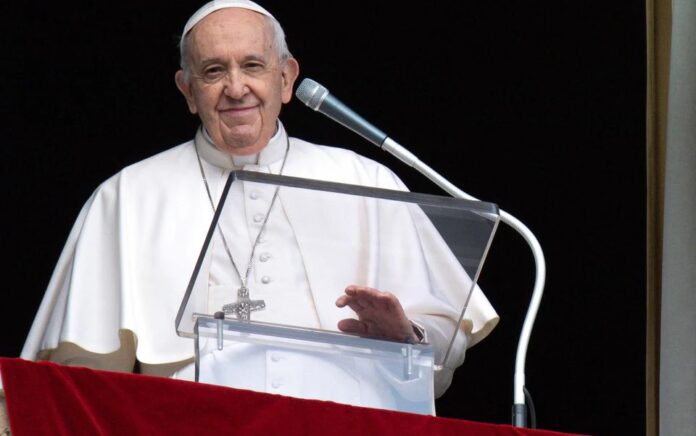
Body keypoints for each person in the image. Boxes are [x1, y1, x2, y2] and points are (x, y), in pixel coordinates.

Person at [20, 0, 498, 412]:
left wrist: (407, 339)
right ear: (187, 91)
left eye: (252, 66)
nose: (235, 87)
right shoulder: (127, 196)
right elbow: (83, 380)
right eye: (213, 71)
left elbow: (440, 358)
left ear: (286, 78)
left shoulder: (364, 180)